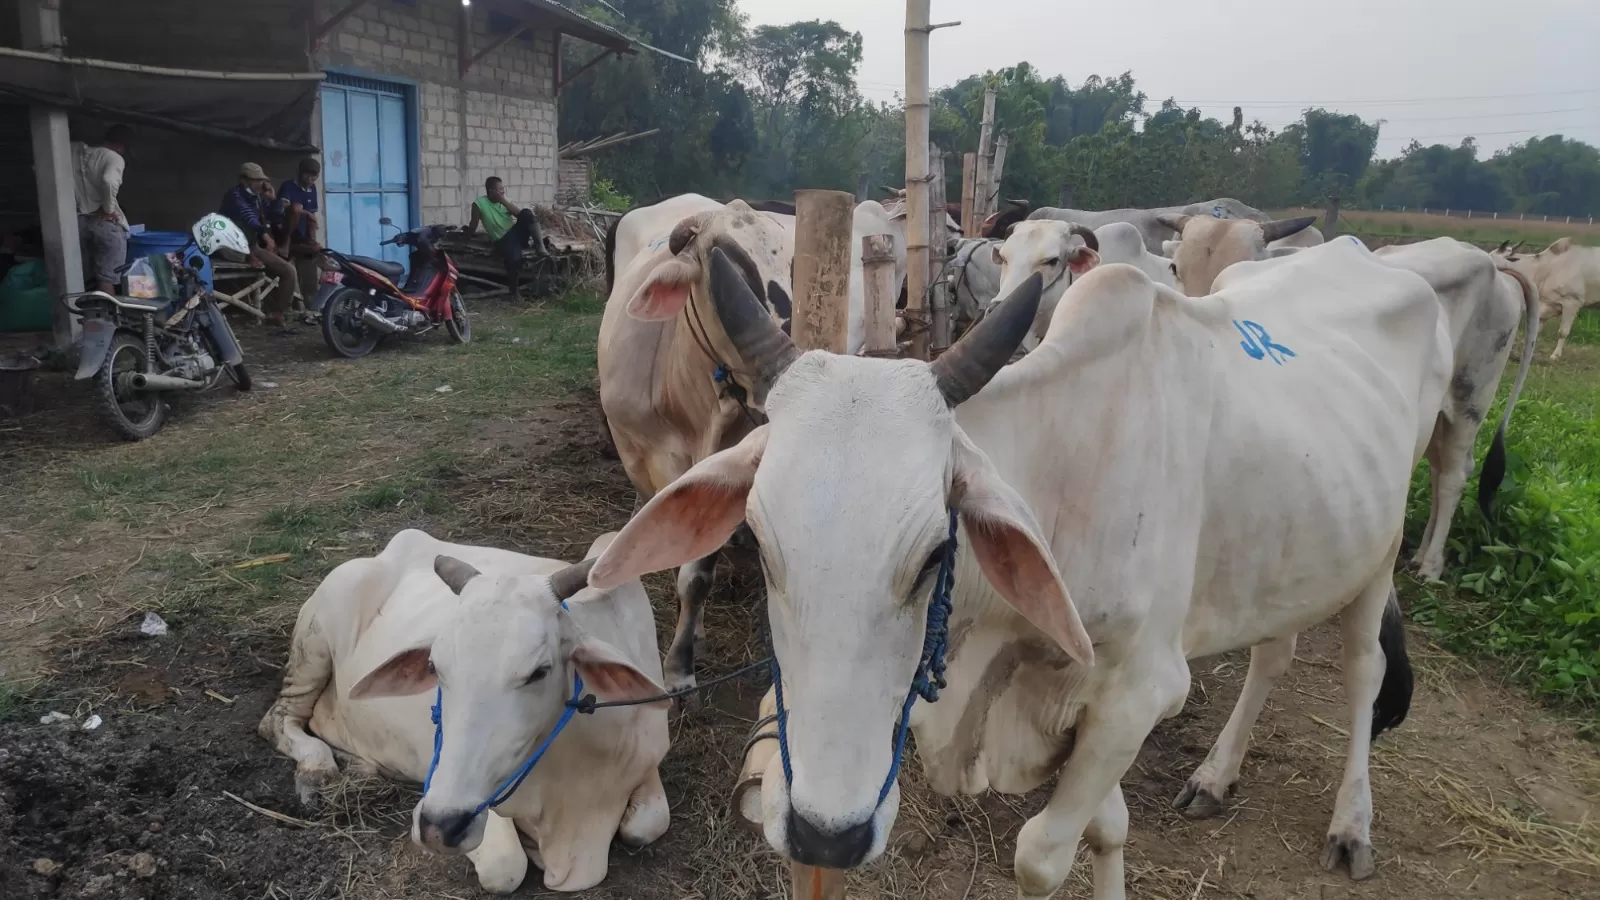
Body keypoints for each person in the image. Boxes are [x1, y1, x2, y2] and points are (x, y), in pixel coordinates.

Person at [221, 162, 298, 331]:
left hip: (251, 245)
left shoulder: (257, 197)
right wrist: (264, 234)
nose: (260, 184)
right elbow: (248, 217)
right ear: (244, 180)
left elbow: (275, 217)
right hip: (231, 245)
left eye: (261, 180)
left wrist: (273, 199)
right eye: (256, 180)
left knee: (289, 271)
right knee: (256, 260)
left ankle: (278, 312)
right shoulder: (234, 196)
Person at [72, 124, 133, 295]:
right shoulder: (114, 157)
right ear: (121, 146)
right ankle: (108, 319)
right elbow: (109, 180)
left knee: (79, 278)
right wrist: (108, 208)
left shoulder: (77, 153)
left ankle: (80, 318)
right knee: (106, 280)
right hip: (105, 224)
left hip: (78, 222)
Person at [464, 176, 545, 293]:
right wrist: (465, 238)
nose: (503, 191)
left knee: (527, 213)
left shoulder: (506, 200)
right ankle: (514, 292)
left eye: (503, 188)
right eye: (499, 189)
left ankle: (540, 246)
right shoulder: (479, 204)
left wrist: (504, 201)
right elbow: (473, 225)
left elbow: (520, 215)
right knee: (514, 260)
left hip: (515, 233)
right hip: (502, 239)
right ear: (491, 190)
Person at [273, 157, 322, 308]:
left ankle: (311, 307)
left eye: (314, 177)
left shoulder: (312, 189)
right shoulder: (288, 186)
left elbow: (311, 217)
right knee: (297, 208)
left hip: (300, 236)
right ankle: (283, 308)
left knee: (309, 270)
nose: (311, 179)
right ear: (300, 173)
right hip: (283, 231)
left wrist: (312, 240)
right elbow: (284, 210)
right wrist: (306, 214)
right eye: (308, 175)